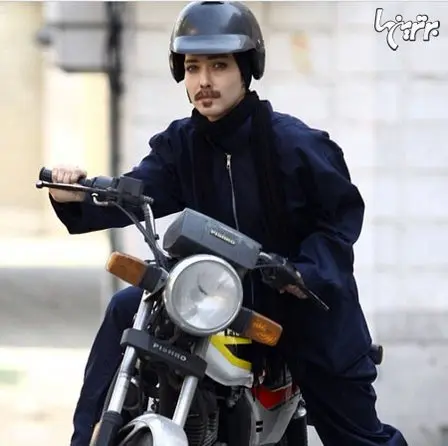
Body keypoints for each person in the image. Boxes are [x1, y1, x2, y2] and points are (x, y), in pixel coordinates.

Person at [47, 2, 408, 445]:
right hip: (213, 303)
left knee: (359, 437)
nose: (204, 81)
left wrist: (304, 274)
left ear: (247, 69)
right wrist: (74, 194)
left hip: (296, 304)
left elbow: (338, 221)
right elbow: (134, 193)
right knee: (127, 307)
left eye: (218, 66)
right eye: (192, 67)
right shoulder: (180, 145)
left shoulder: (297, 145)